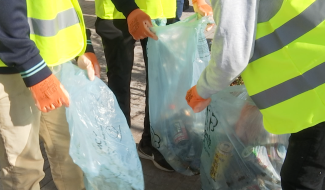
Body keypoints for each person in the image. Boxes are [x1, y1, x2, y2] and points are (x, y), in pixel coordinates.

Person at [186, 0, 325, 189]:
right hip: (316, 88)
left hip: (317, 100)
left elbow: (231, 56)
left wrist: (201, 90)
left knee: (302, 178)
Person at [0, 0, 100, 189]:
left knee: (70, 152)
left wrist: (84, 45)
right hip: (10, 68)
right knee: (22, 172)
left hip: (52, 61)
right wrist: (32, 67)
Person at [94, 0, 177, 171]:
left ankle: (151, 143)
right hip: (117, 12)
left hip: (159, 12)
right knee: (119, 81)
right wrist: (129, 8)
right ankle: (120, 146)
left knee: (159, 81)